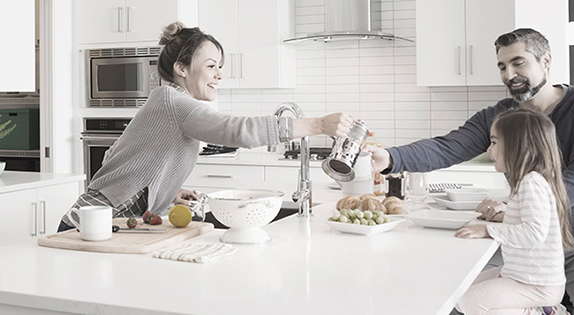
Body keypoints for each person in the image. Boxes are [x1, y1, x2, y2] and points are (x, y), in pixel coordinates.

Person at [365, 28, 574, 313]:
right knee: (453, 292)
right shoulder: (500, 116)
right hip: (526, 247)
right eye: (502, 66)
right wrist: (390, 157)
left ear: (546, 61)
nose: (509, 74)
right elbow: (448, 147)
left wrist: (515, 210)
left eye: (519, 62)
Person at [58, 22, 355, 231]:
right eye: (212, 65)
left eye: (220, 66)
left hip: (113, 220)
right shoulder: (174, 103)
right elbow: (237, 131)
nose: (219, 74)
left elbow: (117, 156)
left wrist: (168, 191)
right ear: (182, 68)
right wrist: (318, 124)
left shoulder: (168, 102)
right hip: (92, 221)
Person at [454, 108, 574, 315]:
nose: (489, 150)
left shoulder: (531, 182)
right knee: (459, 292)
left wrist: (487, 229)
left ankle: (537, 312)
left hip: (536, 284)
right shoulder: (530, 181)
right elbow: (529, 218)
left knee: (468, 302)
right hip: (523, 275)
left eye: (494, 142)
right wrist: (505, 213)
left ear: (517, 146)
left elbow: (533, 233)